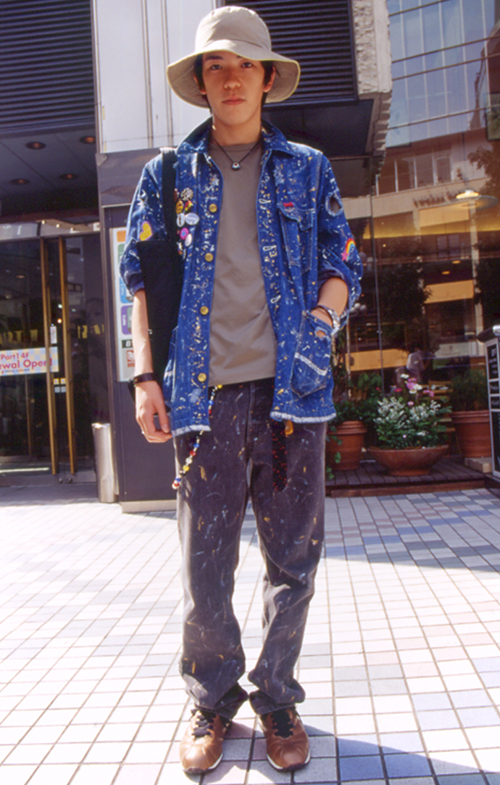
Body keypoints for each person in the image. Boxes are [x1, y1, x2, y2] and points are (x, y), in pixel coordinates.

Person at [120, 5, 362, 775]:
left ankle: (278, 697)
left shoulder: (309, 168)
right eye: (215, 66)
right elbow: (138, 282)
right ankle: (212, 698)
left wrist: (318, 325)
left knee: (293, 562)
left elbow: (343, 260)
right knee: (205, 567)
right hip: (202, 401)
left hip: (292, 398)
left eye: (244, 65)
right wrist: (144, 376)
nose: (229, 78)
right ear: (201, 82)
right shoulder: (165, 177)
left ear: (266, 79)